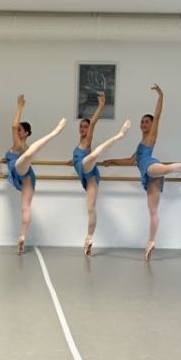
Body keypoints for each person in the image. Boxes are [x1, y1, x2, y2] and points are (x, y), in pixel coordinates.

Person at [104, 84, 181, 260]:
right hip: (149, 177)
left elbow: (157, 116)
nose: (144, 124)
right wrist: (111, 161)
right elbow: (131, 161)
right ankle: (150, 243)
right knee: (153, 211)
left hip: (151, 166)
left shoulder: (151, 137)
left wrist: (160, 96)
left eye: (146, 122)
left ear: (151, 125)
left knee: (166, 168)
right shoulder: (140, 145)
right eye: (142, 121)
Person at [4, 94, 67, 254]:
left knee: (26, 158)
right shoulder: (20, 146)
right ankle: (22, 237)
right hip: (26, 175)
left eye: (20, 130)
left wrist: (20, 107)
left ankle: (54, 132)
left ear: (25, 133)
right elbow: (14, 129)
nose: (17, 131)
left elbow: (13, 126)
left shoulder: (19, 144)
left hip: (20, 169)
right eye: (18, 130)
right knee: (25, 207)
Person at [72, 92, 131, 256]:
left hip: (88, 168)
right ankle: (89, 239)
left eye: (85, 127)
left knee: (93, 156)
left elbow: (93, 122)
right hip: (87, 173)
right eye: (81, 126)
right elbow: (78, 158)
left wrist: (101, 105)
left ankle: (119, 136)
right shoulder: (80, 144)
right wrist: (72, 161)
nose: (83, 129)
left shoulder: (87, 140)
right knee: (90, 208)